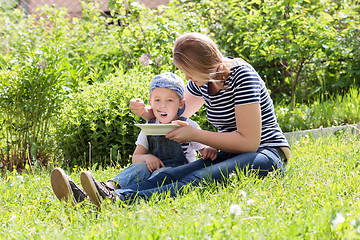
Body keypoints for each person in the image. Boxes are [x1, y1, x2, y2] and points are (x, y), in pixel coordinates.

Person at [57, 32, 291, 209]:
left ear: (203, 63)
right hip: (232, 154)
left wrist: (195, 135)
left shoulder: (242, 76)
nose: (186, 77)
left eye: (188, 70)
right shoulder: (202, 82)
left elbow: (249, 142)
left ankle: (116, 200)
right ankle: (90, 198)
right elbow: (175, 113)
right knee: (170, 175)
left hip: (266, 155)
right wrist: (146, 111)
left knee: (197, 178)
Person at [50, 72, 217, 206]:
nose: (162, 105)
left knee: (162, 173)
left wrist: (208, 150)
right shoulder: (149, 127)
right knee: (138, 168)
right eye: (157, 100)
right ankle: (106, 188)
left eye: (169, 100)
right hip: (151, 171)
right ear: (150, 102)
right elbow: (136, 157)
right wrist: (148, 157)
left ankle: (105, 197)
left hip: (176, 173)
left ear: (181, 104)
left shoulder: (188, 126)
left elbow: (204, 152)